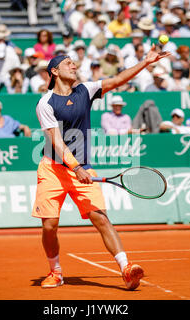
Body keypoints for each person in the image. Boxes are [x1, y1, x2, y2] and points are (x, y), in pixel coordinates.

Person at [32, 46, 171, 290]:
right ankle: (55, 271)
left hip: (82, 167)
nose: (74, 66)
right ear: (54, 71)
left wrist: (146, 62)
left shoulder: (87, 90)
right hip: (52, 169)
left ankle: (126, 269)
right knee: (49, 225)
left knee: (101, 219)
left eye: (74, 63)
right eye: (68, 63)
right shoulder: (45, 103)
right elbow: (56, 140)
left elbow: (118, 79)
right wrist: (76, 168)